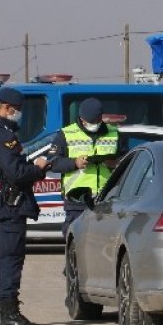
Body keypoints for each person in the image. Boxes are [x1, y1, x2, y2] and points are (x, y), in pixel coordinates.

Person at [0, 87, 50, 325]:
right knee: (10, 259)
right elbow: (16, 172)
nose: (19, 114)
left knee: (10, 258)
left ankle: (5, 312)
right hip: (11, 202)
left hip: (9, 200)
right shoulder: (0, 134)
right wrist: (39, 168)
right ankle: (9, 312)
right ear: (7, 108)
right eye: (17, 110)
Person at [46, 97, 119, 237]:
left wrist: (114, 163)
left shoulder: (114, 133)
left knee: (103, 242)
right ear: (81, 118)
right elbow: (53, 163)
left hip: (106, 199)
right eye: (89, 122)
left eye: (97, 121)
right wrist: (74, 163)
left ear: (101, 118)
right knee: (75, 240)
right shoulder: (66, 134)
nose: (93, 124)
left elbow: (126, 159)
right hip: (77, 199)